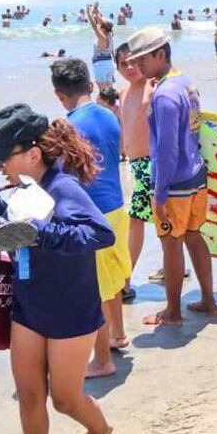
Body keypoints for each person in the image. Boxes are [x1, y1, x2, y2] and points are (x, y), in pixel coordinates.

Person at [0, 104, 115, 434]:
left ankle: (99, 431)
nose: (0, 168)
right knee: (30, 397)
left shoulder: (64, 187)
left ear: (33, 154)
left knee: (64, 401)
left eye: (4, 159)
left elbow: (101, 234)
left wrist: (39, 232)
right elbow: (24, 221)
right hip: (29, 307)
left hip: (70, 310)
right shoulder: (23, 189)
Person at [125, 27, 217, 325]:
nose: (136, 66)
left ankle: (173, 312)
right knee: (193, 235)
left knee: (171, 243)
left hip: (174, 185)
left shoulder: (163, 95)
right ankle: (208, 300)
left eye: (142, 60)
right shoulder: (186, 83)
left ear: (160, 54)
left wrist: (158, 194)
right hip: (196, 177)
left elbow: (166, 151)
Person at [49, 58, 132, 378]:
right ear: (90, 84)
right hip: (116, 207)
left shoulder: (69, 127)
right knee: (110, 281)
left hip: (90, 216)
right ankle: (118, 335)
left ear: (59, 94)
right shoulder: (110, 117)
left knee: (92, 290)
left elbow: (61, 175)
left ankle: (102, 361)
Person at [115, 43, 152, 301]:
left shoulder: (153, 88)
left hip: (151, 164)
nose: (129, 68)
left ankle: (126, 280)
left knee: (136, 222)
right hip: (130, 165)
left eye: (133, 62)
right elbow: (124, 130)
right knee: (131, 221)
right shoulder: (124, 92)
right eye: (123, 64)